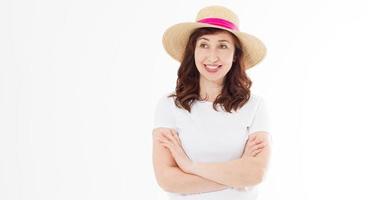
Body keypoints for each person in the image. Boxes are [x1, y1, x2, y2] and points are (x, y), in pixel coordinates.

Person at [152, 5, 271, 200]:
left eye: (223, 45)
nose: (212, 56)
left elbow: (255, 174)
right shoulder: (169, 106)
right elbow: (167, 179)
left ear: (235, 55)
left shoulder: (255, 106)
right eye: (204, 45)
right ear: (194, 51)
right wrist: (237, 176)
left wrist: (190, 167)